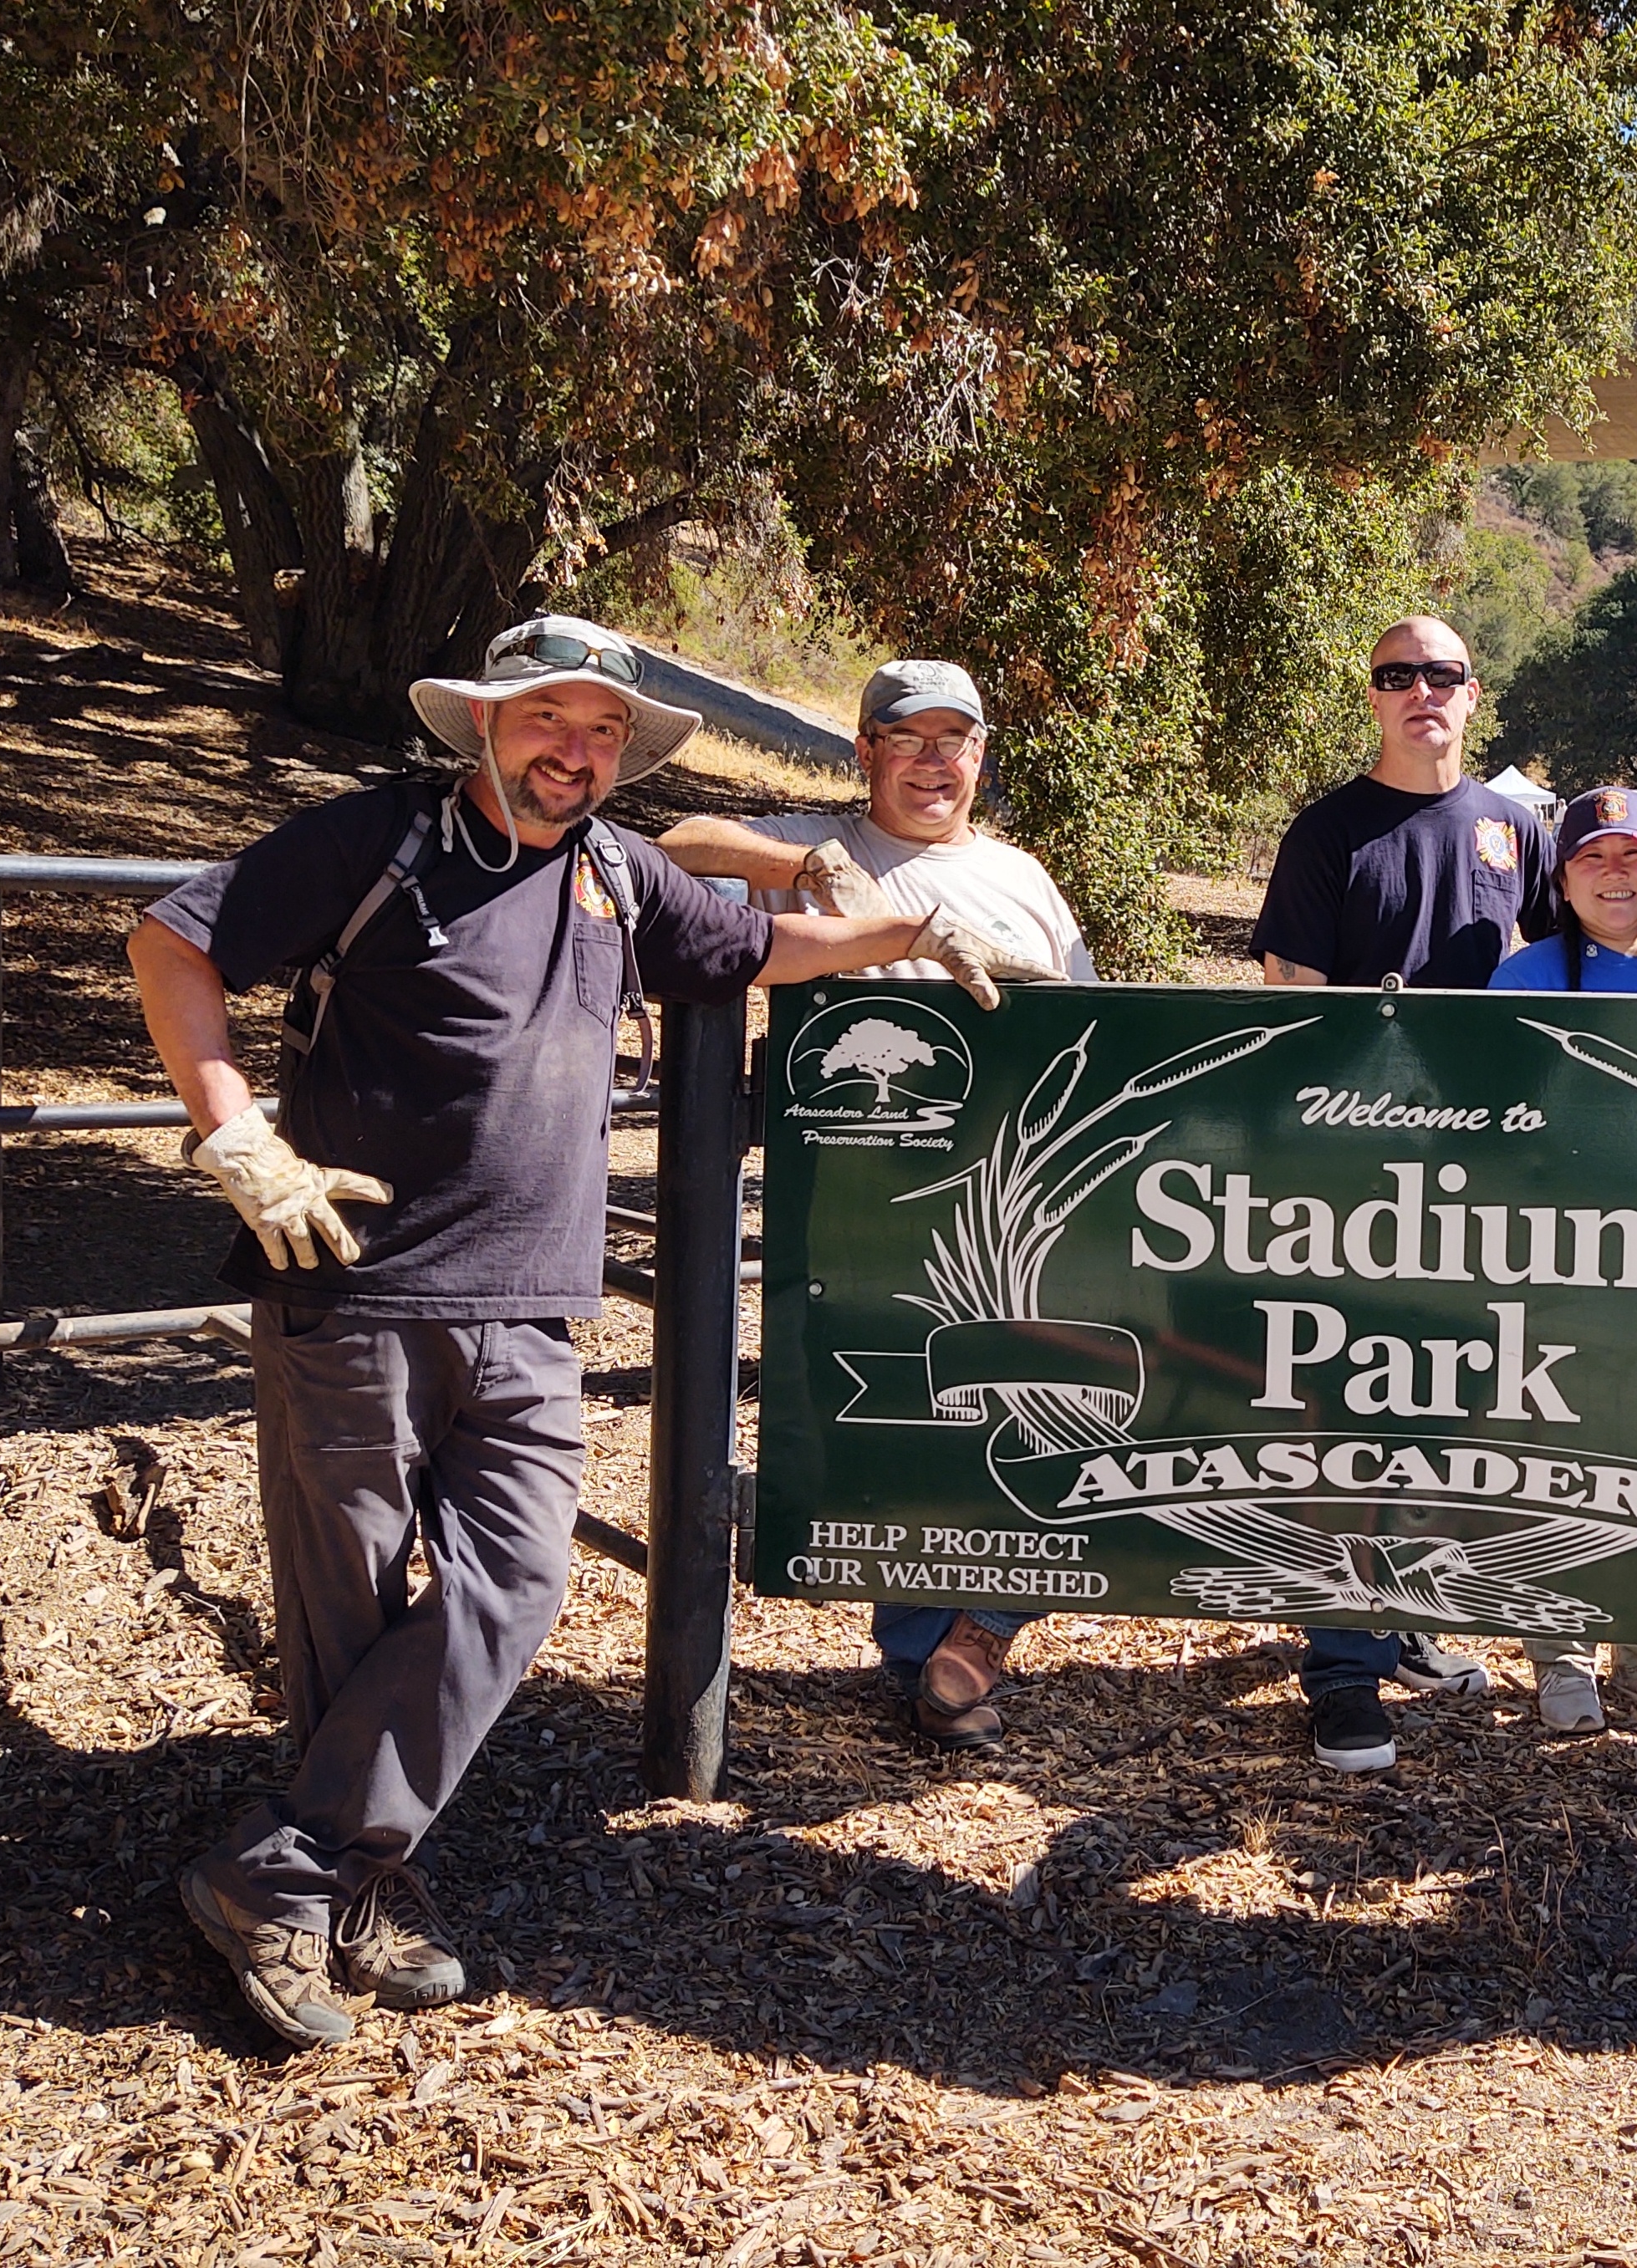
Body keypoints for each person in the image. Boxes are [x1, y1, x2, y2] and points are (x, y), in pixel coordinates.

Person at [129, 614, 1043, 2052]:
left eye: (605, 730)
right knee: (349, 1617)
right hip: (355, 1290)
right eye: (553, 719)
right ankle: (349, 1889)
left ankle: (280, 1870)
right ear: (485, 721)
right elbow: (174, 939)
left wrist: (911, 926)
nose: (579, 750)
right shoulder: (380, 843)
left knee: (520, 1578)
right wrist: (235, 1135)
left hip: (532, 1308)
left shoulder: (620, 875)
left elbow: (768, 946)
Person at [660, 657, 1085, 1752]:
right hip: (863, 1204)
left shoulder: (1023, 877)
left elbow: (1086, 1024)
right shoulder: (823, 850)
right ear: (866, 752)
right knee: (898, 1413)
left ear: (980, 756)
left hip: (1017, 1203)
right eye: (909, 738)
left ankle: (981, 1627)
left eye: (955, 739)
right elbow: (675, 847)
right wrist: (803, 865)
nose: (934, 760)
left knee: (1056, 1400)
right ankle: (922, 1652)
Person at [1250, 614, 1555, 1772]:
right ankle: (1339, 1670)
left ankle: (1407, 1617)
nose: (1418, 690)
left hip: (1486, 1185)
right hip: (1351, 1181)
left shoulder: (1515, 831)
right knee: (1345, 1418)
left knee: (1443, 1416)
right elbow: (1294, 1005)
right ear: (1372, 697)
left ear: (1474, 694)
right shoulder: (1328, 832)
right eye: (1396, 676)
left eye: (1440, 673)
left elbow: (1564, 988)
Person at [1487, 785, 1637, 1735]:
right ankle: (1559, 1651)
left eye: (1635, 856)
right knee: (1553, 1453)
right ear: (1562, 877)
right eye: (1593, 857)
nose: (1615, 874)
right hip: (1551, 1255)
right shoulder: (1523, 977)